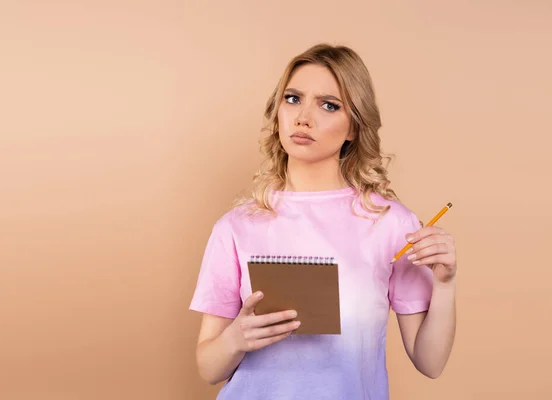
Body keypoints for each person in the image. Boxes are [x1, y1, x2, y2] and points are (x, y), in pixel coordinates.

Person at [188, 43, 457, 399]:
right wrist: (237, 337)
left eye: (329, 105)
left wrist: (446, 284)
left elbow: (430, 362)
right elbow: (208, 367)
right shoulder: (236, 226)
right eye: (293, 98)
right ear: (278, 111)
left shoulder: (391, 224)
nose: (303, 117)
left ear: (353, 128)